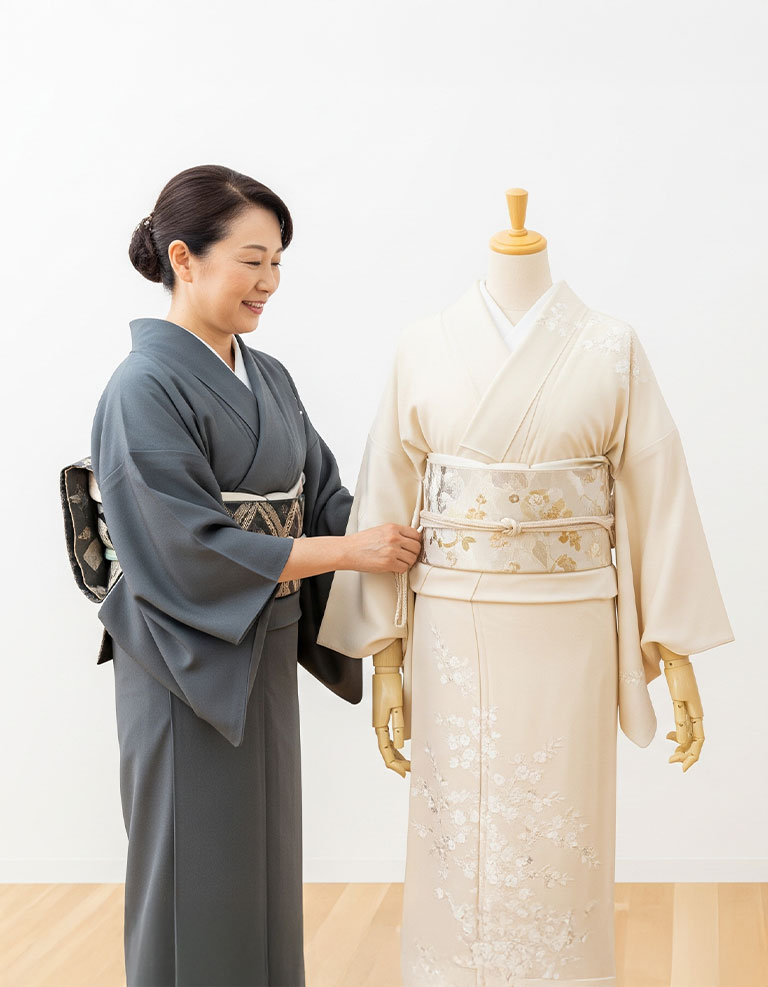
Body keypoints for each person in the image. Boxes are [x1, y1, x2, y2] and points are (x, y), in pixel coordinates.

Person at [89, 164, 421, 987]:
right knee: (191, 867)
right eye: (251, 260)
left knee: (262, 863)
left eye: (277, 262)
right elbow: (187, 544)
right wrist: (349, 553)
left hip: (263, 641)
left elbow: (327, 498)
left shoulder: (267, 375)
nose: (269, 281)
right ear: (184, 258)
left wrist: (415, 526)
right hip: (183, 653)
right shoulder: (141, 386)